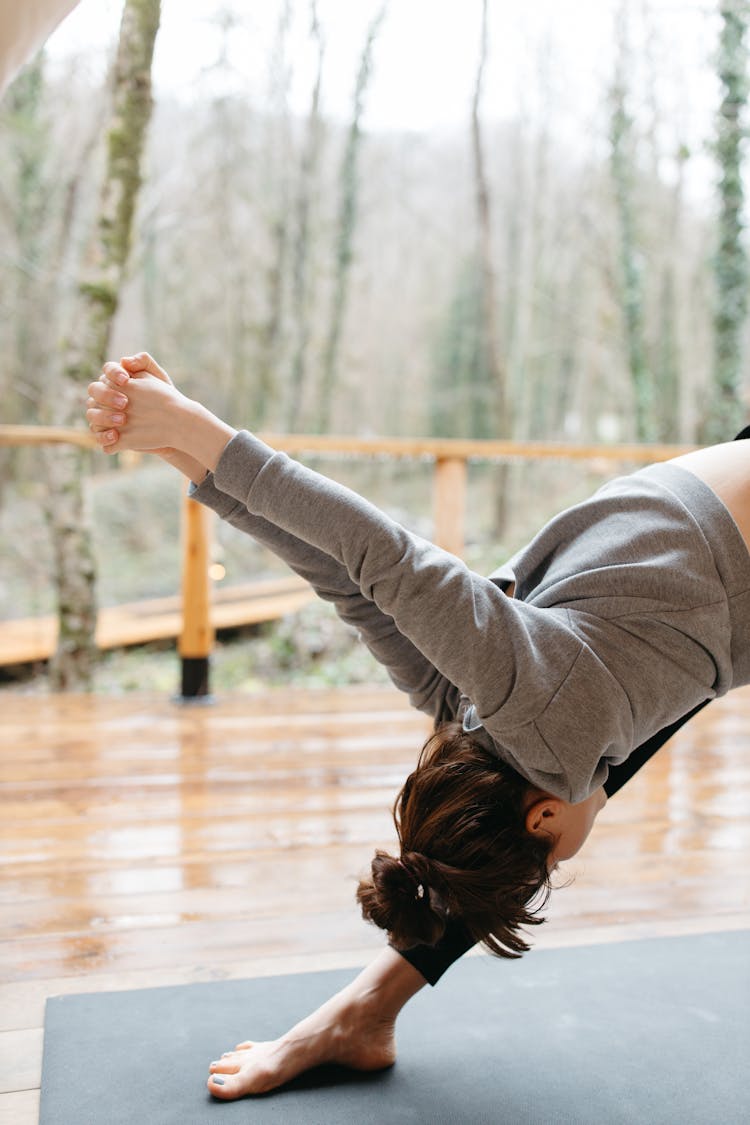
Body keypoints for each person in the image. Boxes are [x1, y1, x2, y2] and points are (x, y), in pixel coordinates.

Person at [85, 354, 750, 1101]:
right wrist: (194, 462)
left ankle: (361, 1013)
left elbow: (381, 557)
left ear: (540, 814)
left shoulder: (551, 725)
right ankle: (362, 1013)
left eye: (549, 860)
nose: (563, 863)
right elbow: (349, 584)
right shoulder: (463, 705)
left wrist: (202, 437)